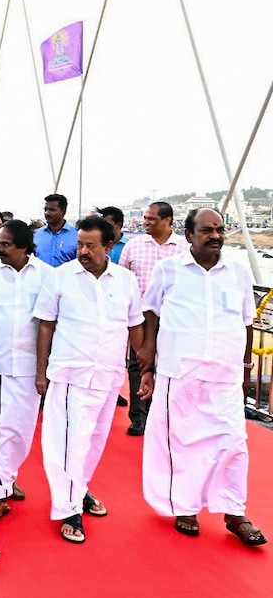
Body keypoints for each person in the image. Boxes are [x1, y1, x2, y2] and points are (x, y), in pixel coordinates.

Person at [137, 208, 265, 546]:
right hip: (181, 371)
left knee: (235, 442)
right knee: (182, 442)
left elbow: (247, 321)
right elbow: (150, 311)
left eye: (220, 230)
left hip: (225, 373)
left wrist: (247, 367)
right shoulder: (169, 270)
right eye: (207, 230)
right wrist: (147, 356)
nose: (216, 236)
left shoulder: (236, 272)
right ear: (189, 234)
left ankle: (235, 512)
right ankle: (186, 506)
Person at [34, 215, 142, 544]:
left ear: (109, 246)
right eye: (80, 244)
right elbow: (46, 325)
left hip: (108, 375)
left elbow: (135, 325)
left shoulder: (125, 280)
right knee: (68, 445)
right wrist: (41, 372)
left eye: (90, 246)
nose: (82, 250)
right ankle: (68, 510)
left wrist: (147, 368)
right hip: (70, 373)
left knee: (93, 443)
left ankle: (78, 491)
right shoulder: (60, 277)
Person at [0, 219, 49, 520]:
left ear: (24, 246)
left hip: (29, 367)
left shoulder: (46, 276)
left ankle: (6, 477)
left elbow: (48, 326)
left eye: (5, 244)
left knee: (20, 430)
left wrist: (44, 370)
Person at [118, 201, 188, 436]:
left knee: (170, 365)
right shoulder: (133, 246)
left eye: (151, 219)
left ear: (167, 220)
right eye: (145, 218)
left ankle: (166, 414)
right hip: (139, 318)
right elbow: (122, 280)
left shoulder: (185, 248)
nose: (145, 222)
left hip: (173, 319)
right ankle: (139, 416)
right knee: (138, 364)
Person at [34, 193, 77, 266]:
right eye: (45, 209)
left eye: (52, 210)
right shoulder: (36, 235)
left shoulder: (76, 235)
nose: (47, 213)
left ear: (63, 212)